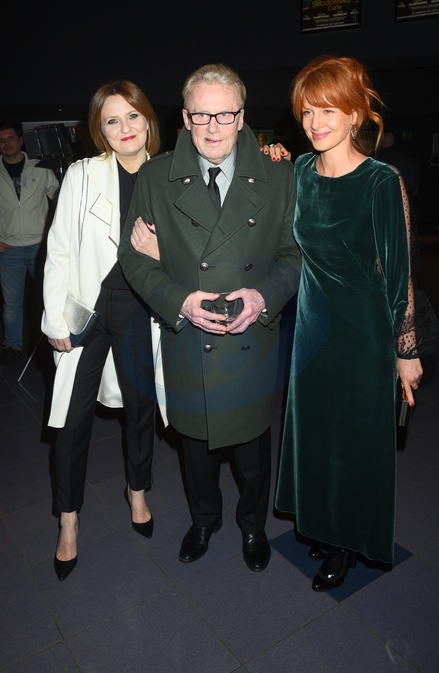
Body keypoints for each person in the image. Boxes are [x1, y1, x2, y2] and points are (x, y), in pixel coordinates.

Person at [118, 64, 301, 572]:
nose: (213, 126)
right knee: (194, 449)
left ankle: (253, 526)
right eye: (201, 115)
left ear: (242, 117)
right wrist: (180, 301)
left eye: (224, 115)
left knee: (252, 449)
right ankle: (204, 519)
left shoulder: (279, 176)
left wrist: (262, 297)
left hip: (250, 338)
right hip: (187, 339)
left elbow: (294, 256)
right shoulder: (155, 177)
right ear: (185, 118)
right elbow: (134, 258)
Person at [275, 55, 423, 591]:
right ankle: (321, 523)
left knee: (352, 441)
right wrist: (269, 156)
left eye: (328, 111)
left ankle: (346, 541)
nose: (315, 123)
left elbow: (399, 273)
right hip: (311, 330)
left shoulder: (381, 181)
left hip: (364, 334)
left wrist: (406, 351)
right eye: (307, 112)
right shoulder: (298, 170)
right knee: (315, 435)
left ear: (355, 114)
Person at [41, 80, 160, 581]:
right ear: (100, 130)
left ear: (148, 119)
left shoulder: (168, 175)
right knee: (71, 421)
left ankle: (138, 490)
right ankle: (68, 519)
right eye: (112, 120)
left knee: (140, 410)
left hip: (140, 309)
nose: (125, 128)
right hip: (87, 309)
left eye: (132, 116)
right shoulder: (82, 174)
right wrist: (54, 318)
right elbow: (59, 247)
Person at [0, 122, 59, 368]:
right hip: (9, 249)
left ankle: (50, 340)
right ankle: (12, 345)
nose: (6, 143)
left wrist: (54, 234)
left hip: (39, 246)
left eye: (10, 138)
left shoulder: (40, 167)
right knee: (11, 304)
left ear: (20, 141)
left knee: (47, 297)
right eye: (2, 140)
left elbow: (59, 198)